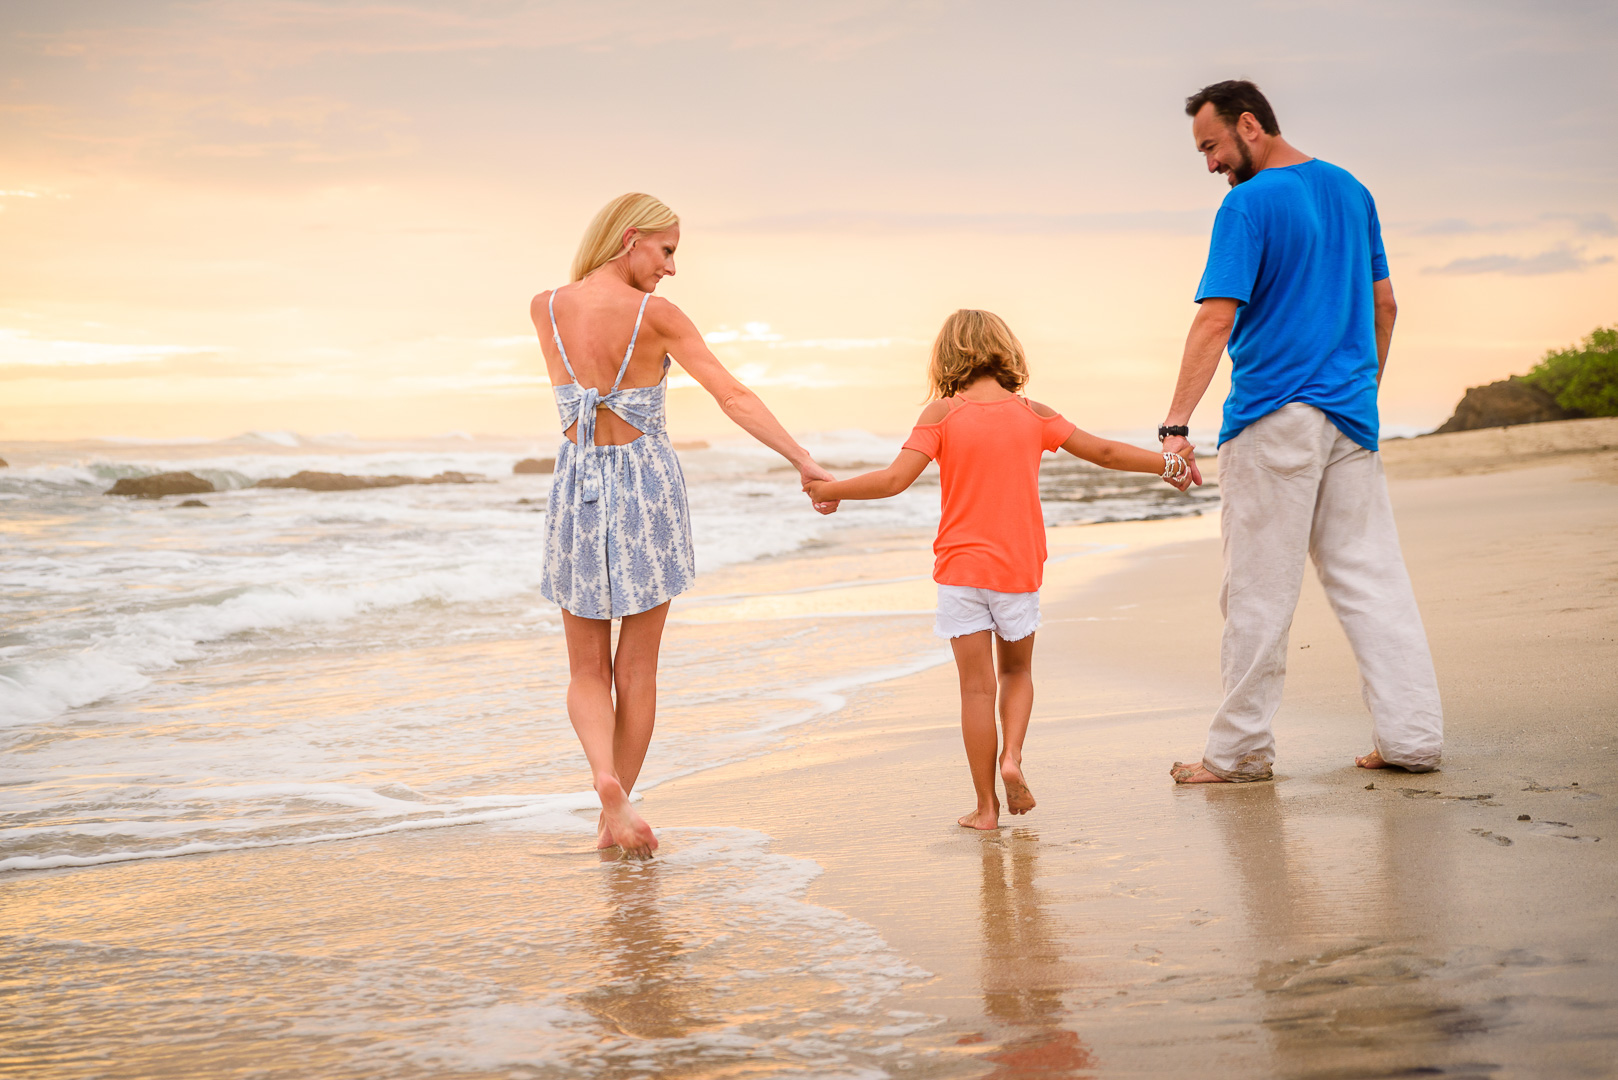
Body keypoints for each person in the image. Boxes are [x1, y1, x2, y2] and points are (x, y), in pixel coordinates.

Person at [532, 193, 837, 856]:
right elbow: (732, 395)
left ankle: (604, 781)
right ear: (631, 237)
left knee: (586, 669)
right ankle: (615, 811)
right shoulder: (656, 316)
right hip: (644, 485)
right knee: (636, 667)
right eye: (667, 251)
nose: (671, 268)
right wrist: (802, 459)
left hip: (577, 484)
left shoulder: (546, 306)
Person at [805, 310, 1192, 828]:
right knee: (1017, 672)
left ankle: (986, 809)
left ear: (947, 356)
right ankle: (1013, 756)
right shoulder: (1033, 414)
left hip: (961, 568)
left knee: (975, 689)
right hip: (1017, 566)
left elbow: (894, 480)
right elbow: (1102, 452)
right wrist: (1168, 464)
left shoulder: (940, 416)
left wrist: (828, 490)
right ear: (1006, 352)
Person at [1159, 80, 1444, 784]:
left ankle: (1239, 753)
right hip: (1351, 419)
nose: (1210, 165)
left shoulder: (1248, 204)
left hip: (1273, 416)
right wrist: (1361, 393)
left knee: (1258, 589)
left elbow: (1215, 319)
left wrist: (1175, 425)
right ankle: (1413, 740)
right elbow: (1386, 305)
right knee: (1373, 581)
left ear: (1248, 124)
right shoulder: (1351, 190)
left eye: (1211, 146)